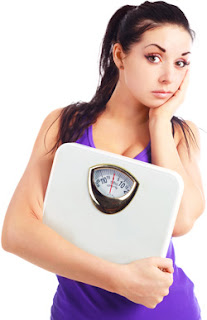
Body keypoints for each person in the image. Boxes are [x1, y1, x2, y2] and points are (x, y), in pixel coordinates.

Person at [1, 1, 205, 319]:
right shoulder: (64, 124)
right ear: (120, 55)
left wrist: (159, 122)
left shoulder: (180, 134)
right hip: (78, 312)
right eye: (154, 57)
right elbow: (16, 232)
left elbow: (181, 223)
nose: (168, 76)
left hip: (167, 310)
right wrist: (118, 279)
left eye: (181, 63)